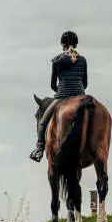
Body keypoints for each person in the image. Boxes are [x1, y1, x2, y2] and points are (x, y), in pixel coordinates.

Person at [29, 30, 88, 163]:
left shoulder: (57, 60)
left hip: (62, 95)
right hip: (80, 95)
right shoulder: (82, 60)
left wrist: (60, 91)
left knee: (43, 122)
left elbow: (52, 85)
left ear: (63, 45)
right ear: (76, 44)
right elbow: (85, 83)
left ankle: (39, 149)